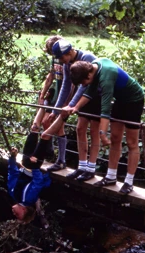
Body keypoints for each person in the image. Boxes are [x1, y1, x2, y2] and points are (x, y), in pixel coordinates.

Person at [67, 59, 145, 194]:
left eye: (82, 82)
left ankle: (129, 181)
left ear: (89, 75)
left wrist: (102, 133)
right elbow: (89, 92)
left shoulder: (106, 76)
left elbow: (105, 108)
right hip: (120, 100)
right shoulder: (93, 67)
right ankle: (110, 176)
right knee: (115, 138)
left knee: (132, 142)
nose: (83, 85)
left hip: (134, 100)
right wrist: (75, 107)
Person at [45, 39, 101, 183]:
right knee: (80, 129)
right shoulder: (66, 63)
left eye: (63, 57)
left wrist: (70, 105)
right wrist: (56, 109)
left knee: (94, 132)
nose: (62, 61)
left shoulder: (86, 58)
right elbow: (65, 85)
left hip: (95, 96)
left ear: (70, 52)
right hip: (82, 100)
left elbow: (83, 87)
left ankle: (91, 168)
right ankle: (82, 166)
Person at [8, 131, 52, 225]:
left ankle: (53, 120)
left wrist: (12, 158)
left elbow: (12, 174)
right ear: (24, 211)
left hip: (26, 164)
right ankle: (60, 118)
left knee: (34, 129)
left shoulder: (13, 193)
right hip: (33, 165)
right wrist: (35, 167)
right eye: (18, 215)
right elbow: (38, 183)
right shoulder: (29, 199)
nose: (14, 214)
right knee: (44, 136)